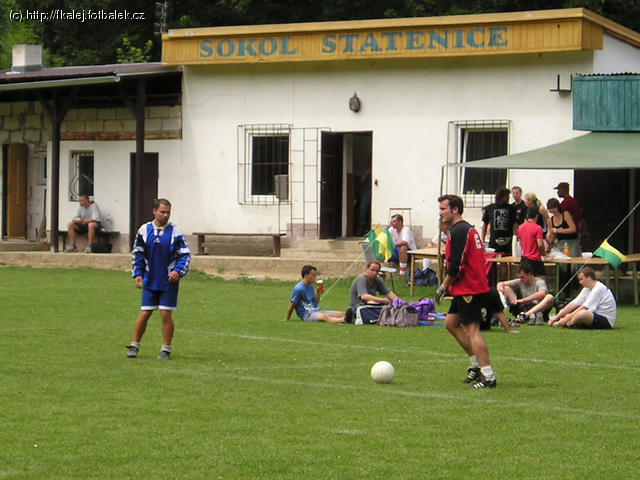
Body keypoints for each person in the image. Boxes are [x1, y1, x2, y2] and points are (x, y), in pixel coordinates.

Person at [436, 194, 497, 388]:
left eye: (443, 209)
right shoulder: (462, 229)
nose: (440, 213)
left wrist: (443, 286)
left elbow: (457, 264)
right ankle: (477, 365)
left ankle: (489, 376)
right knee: (451, 323)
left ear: (455, 210)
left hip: (468, 288)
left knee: (472, 331)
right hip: (464, 287)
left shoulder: (461, 230)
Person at [126, 198, 191, 360]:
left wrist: (178, 272)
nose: (166, 215)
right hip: (150, 279)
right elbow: (138, 253)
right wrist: (138, 273)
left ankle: (166, 349)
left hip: (168, 281)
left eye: (168, 212)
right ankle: (134, 345)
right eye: (163, 212)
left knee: (165, 314)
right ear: (154, 211)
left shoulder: (175, 232)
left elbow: (185, 255)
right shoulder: (144, 230)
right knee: (145, 313)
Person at [548, 267, 616, 329]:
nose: (580, 282)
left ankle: (569, 323)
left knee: (582, 313)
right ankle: (569, 322)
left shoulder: (599, 288)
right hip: (593, 316)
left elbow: (584, 307)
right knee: (564, 310)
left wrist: (567, 318)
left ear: (589, 277)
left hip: (606, 320)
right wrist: (556, 317)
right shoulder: (587, 288)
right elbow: (573, 304)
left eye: (581, 279)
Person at [482, 187, 517, 255]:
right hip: (494, 241)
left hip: (508, 242)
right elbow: (485, 224)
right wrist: (482, 239)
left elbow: (515, 224)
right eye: (507, 196)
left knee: (507, 258)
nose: (509, 198)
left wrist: (516, 238)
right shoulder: (490, 208)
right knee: (493, 258)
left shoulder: (511, 208)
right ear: (502, 197)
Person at [517, 205, 546, 277]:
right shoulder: (538, 228)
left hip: (524, 259)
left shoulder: (520, 227)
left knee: (526, 281)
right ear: (537, 216)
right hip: (535, 259)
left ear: (527, 215)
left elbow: (521, 243)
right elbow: (540, 245)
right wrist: (543, 253)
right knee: (541, 280)